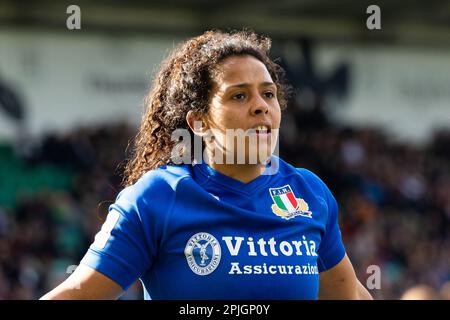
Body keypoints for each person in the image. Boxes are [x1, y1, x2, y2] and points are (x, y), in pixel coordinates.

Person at [41, 30, 372, 300]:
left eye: (268, 94)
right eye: (239, 96)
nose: (261, 106)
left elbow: (349, 295)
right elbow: (76, 294)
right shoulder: (157, 197)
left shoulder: (308, 192)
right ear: (199, 123)